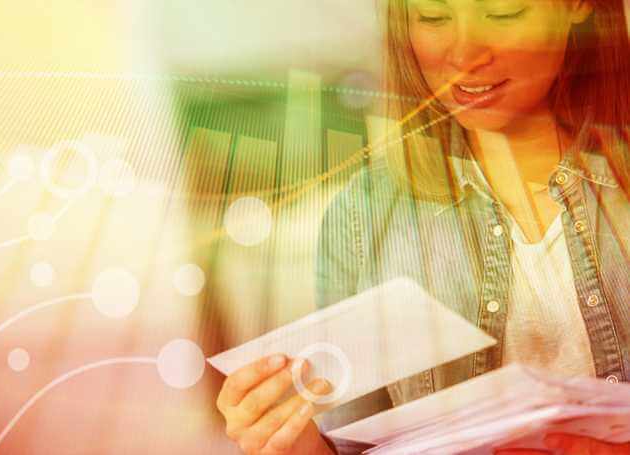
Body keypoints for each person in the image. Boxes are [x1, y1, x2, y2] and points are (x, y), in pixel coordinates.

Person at [216, 0, 630, 453]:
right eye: (433, 16)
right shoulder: (362, 217)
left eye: (504, 13)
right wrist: (294, 443)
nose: (463, 56)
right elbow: (353, 445)